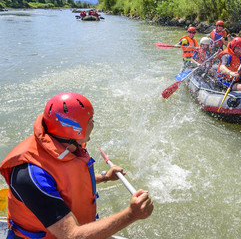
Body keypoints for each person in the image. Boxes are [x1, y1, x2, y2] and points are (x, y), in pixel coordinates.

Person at [0, 92, 153, 239]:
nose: (93, 124)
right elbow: (71, 236)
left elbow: (69, 180)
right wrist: (131, 214)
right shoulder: (31, 175)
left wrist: (105, 177)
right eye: (90, 120)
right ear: (75, 129)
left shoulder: (65, 145)